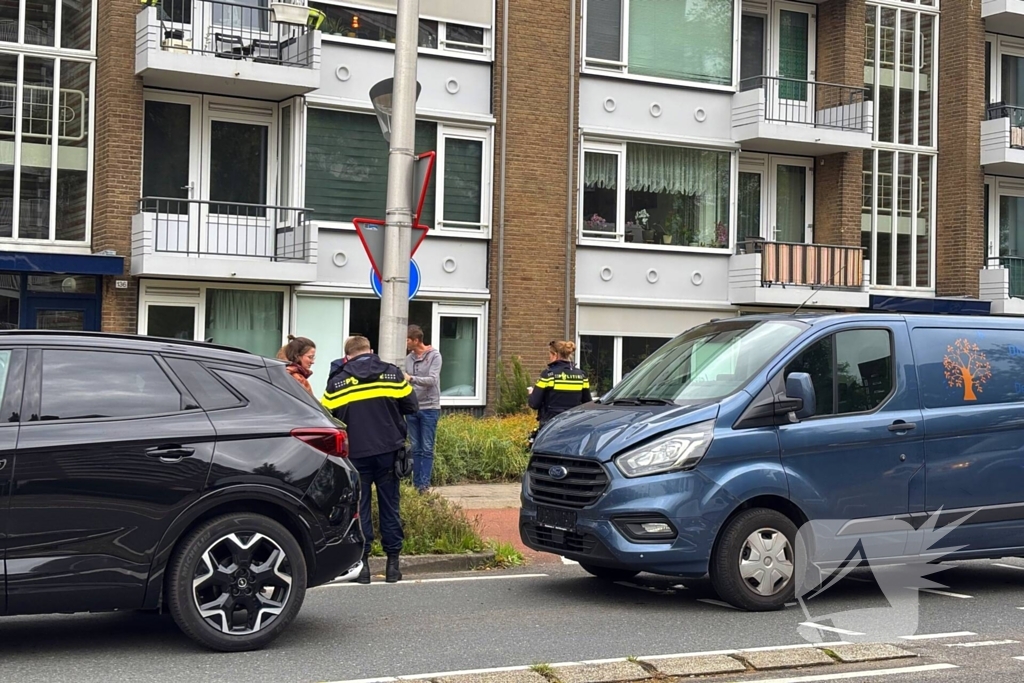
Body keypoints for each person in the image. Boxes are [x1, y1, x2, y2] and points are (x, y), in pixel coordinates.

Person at [322, 336, 418, 584]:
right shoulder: (392, 374)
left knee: (359, 509)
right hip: (388, 452)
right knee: (390, 507)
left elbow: (327, 417)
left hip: (355, 455)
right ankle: (393, 566)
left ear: (347, 356)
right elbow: (412, 406)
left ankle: (363, 567)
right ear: (371, 351)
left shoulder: (337, 382)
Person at [404, 324, 442, 493]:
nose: (405, 343)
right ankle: (416, 484)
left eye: (407, 340)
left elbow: (432, 380)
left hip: (430, 408)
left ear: (416, 340)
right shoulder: (408, 359)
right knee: (415, 447)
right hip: (413, 407)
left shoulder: (434, 356)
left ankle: (424, 486)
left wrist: (411, 379)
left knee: (427, 448)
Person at [528, 340, 592, 427]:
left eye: (550, 355)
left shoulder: (548, 375)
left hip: (551, 425)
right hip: (573, 424)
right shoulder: (582, 375)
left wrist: (531, 394)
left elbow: (534, 404)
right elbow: (587, 403)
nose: (549, 358)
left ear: (555, 355)